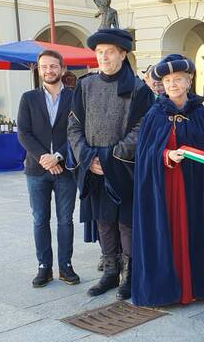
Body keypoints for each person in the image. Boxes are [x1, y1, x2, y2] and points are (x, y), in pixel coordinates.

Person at [131, 54, 204, 306]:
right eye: (167, 80)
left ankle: (196, 286)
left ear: (189, 81)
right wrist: (165, 154)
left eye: (178, 79)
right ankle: (169, 289)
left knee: (196, 231)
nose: (172, 84)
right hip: (165, 189)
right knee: (169, 233)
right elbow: (144, 155)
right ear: (161, 85)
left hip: (197, 189)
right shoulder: (154, 115)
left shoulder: (202, 113)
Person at [67, 28, 154, 300]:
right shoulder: (85, 85)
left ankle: (130, 274)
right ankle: (109, 272)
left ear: (123, 54)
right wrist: (88, 158)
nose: (103, 56)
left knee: (126, 223)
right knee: (104, 221)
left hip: (125, 167)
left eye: (109, 52)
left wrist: (110, 158)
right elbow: (74, 126)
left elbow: (142, 129)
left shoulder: (139, 88)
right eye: (99, 52)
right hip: (93, 167)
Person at [17, 50, 78, 288]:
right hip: (36, 169)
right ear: (38, 69)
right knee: (40, 219)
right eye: (44, 67)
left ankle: (66, 267)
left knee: (65, 220)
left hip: (65, 169)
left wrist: (58, 156)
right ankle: (44, 267)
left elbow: (77, 132)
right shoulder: (28, 98)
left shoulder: (74, 97)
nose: (49, 71)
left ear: (62, 69)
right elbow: (24, 133)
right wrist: (44, 157)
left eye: (53, 66)